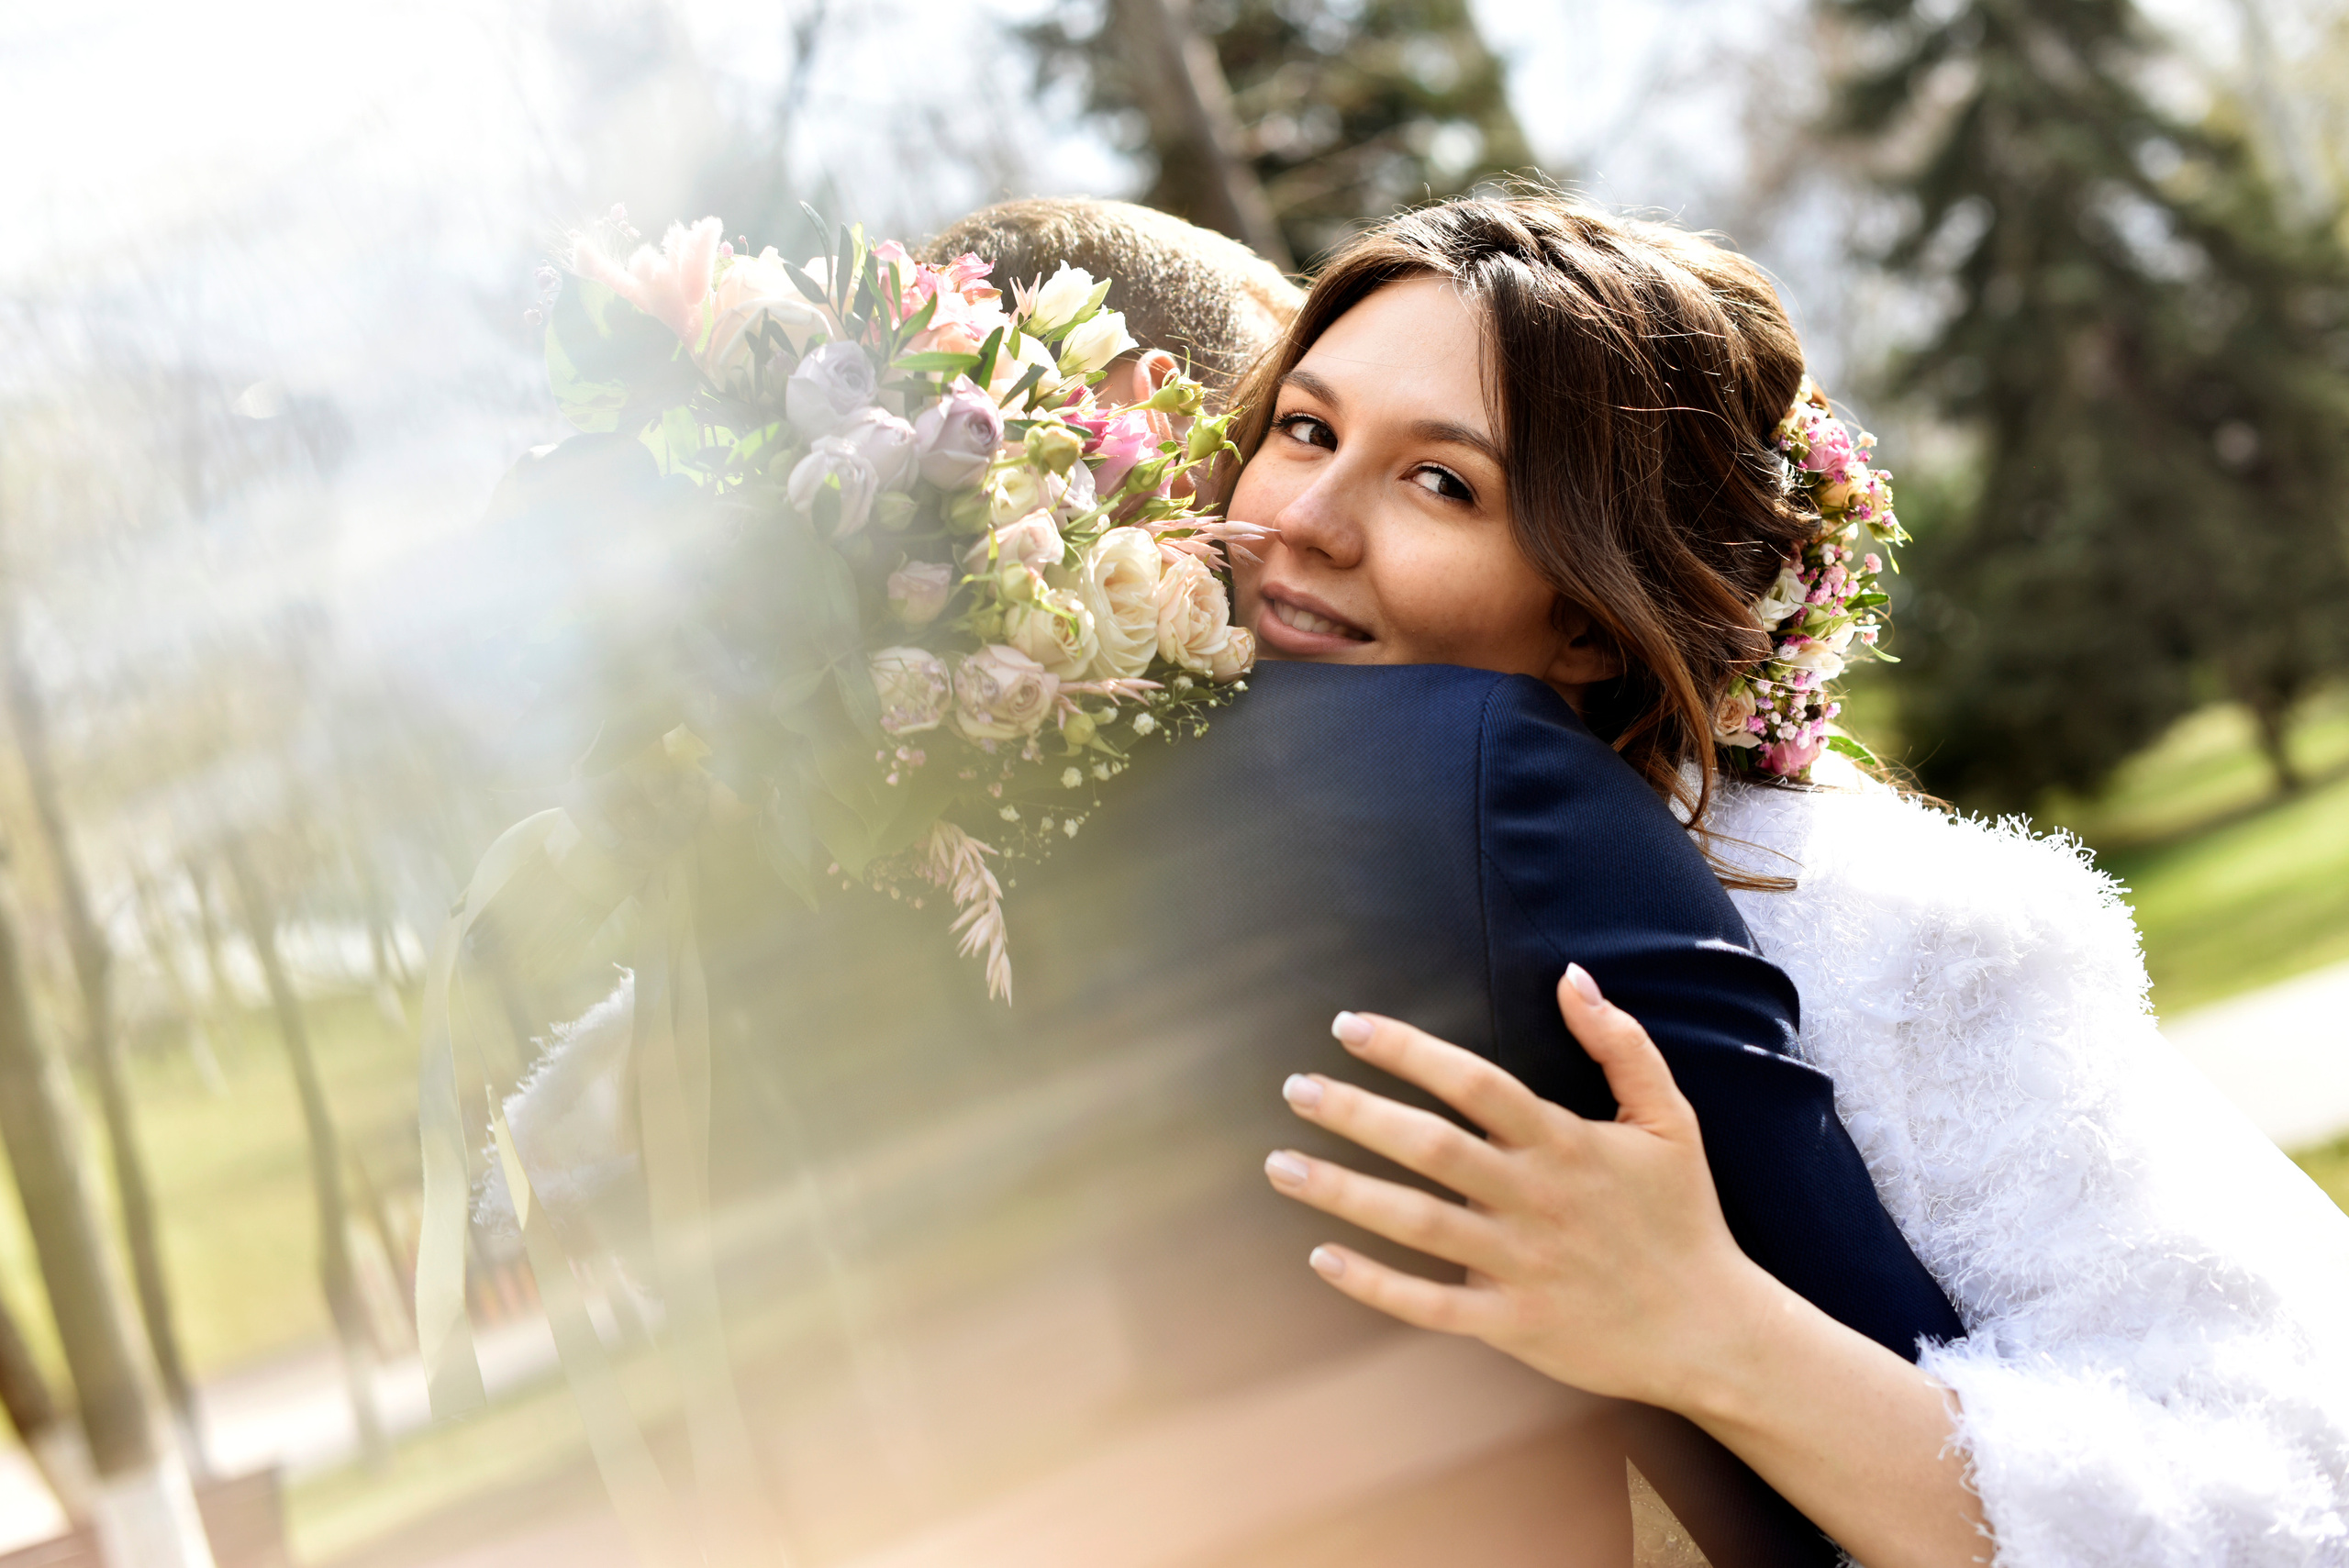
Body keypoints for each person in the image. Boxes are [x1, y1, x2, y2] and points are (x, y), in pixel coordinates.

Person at [1230, 193, 2349, 1566]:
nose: (1308, 522)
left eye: (1443, 482)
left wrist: (1717, 1329)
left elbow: (2292, 1487)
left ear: (1588, 621)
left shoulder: (1900, 931)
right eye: (1307, 429)